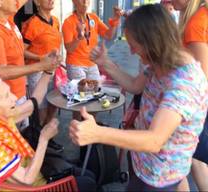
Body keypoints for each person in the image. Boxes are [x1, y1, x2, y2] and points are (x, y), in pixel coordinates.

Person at [69, 4, 208, 191]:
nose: (132, 52)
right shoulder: (159, 61)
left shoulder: (184, 83)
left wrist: (97, 133)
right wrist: (106, 63)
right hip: (143, 164)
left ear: (153, 42)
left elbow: (154, 140)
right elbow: (135, 85)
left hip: (161, 176)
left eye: (134, 46)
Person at [0, 74, 96, 191]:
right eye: (6, 95)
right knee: (89, 183)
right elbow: (27, 180)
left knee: (89, 174)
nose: (14, 97)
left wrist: (47, 72)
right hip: (39, 187)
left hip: (38, 172)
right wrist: (44, 139)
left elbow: (34, 102)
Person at [0, 0, 59, 130]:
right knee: (16, 141)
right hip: (6, 99)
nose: (18, 2)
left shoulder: (6, 18)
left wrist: (42, 60)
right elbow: (2, 71)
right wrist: (42, 66)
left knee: (23, 135)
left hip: (18, 93)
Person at [171, 0, 208, 191]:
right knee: (194, 159)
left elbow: (200, 75)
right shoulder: (199, 17)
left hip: (194, 105)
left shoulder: (196, 23)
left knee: (178, 163)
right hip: (197, 104)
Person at [21, 0, 62, 126]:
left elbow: (55, 44)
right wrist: (40, 59)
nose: (51, 0)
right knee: (42, 107)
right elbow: (22, 51)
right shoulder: (32, 23)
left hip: (53, 69)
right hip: (37, 71)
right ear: (37, 2)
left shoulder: (55, 21)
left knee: (54, 103)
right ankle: (41, 138)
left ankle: (48, 135)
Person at [62, 0, 123, 82]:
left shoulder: (93, 18)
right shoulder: (68, 22)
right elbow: (69, 49)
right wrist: (80, 36)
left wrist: (115, 20)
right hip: (75, 64)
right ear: (74, 1)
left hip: (92, 63)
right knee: (81, 92)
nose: (85, 1)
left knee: (96, 90)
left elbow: (108, 35)